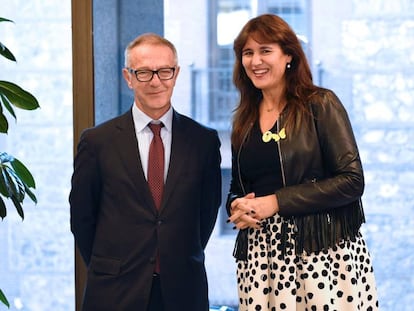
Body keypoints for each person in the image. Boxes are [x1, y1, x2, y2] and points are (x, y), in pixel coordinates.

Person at [226, 14, 379, 310]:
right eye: (248, 53)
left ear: (289, 57)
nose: (255, 61)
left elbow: (352, 181)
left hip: (321, 252)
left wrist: (277, 202)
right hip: (261, 258)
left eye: (265, 50)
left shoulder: (320, 104)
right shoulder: (243, 120)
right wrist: (236, 206)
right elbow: (237, 186)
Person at [69, 33, 222, 311]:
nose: (155, 81)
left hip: (183, 290)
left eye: (164, 71)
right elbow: (82, 218)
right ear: (128, 77)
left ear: (175, 74)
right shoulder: (97, 142)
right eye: (143, 73)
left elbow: (207, 213)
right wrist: (110, 266)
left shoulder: (204, 142)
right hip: (114, 291)